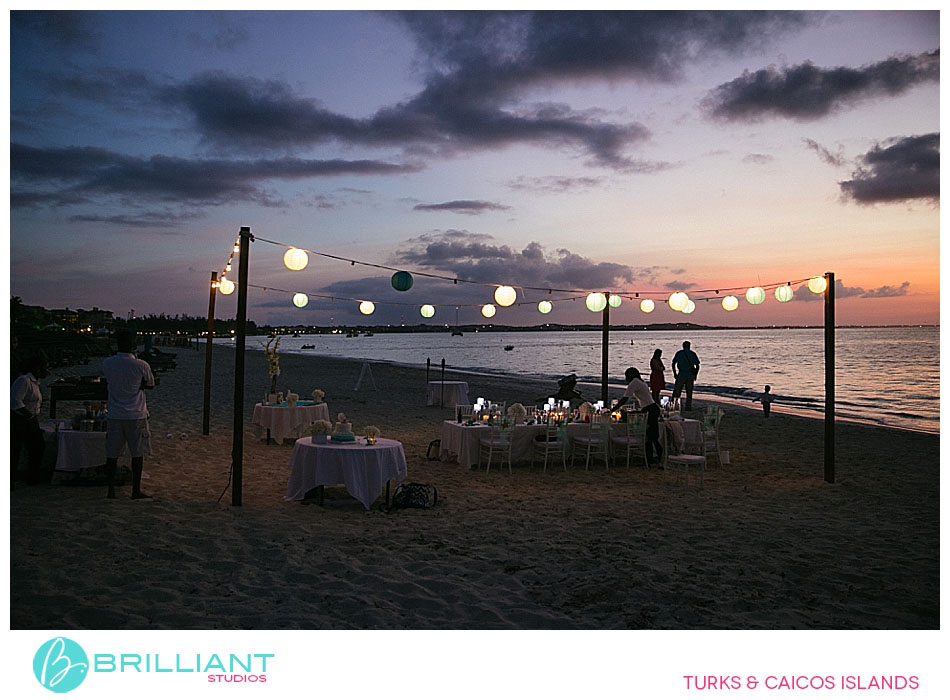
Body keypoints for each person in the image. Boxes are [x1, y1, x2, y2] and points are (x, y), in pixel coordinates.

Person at [102, 329, 156, 499]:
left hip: (115, 414)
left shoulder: (108, 363)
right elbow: (151, 384)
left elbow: (109, 380)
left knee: (112, 454)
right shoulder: (141, 365)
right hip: (136, 414)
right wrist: (139, 385)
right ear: (132, 345)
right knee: (137, 454)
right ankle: (135, 490)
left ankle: (110, 490)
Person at [11, 354, 49, 485]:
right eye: (45, 367)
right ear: (37, 368)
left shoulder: (35, 383)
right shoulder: (24, 381)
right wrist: (28, 415)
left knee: (36, 447)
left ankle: (32, 476)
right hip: (20, 419)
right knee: (16, 449)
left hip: (30, 418)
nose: (47, 370)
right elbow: (15, 401)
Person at [614, 367, 663, 467]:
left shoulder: (634, 383)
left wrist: (613, 410)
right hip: (650, 409)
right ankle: (650, 460)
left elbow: (625, 399)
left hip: (651, 410)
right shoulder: (640, 382)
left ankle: (657, 459)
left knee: (652, 437)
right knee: (650, 437)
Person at [671, 340, 701, 411]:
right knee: (689, 392)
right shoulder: (692, 354)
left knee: (677, 391)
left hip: (681, 374)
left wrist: (675, 373)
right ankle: (688, 407)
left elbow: (673, 363)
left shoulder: (679, 353)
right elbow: (697, 365)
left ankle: (674, 405)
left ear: (683, 346)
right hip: (690, 375)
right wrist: (695, 374)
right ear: (689, 346)